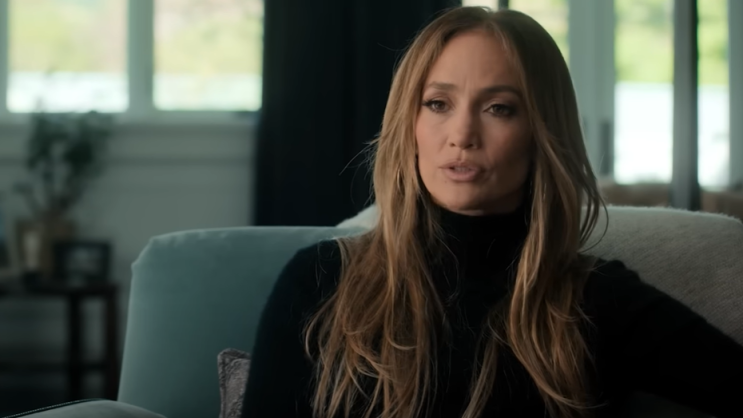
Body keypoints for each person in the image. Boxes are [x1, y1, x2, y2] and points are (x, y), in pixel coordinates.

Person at [242, 6, 743, 418]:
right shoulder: (320, 281)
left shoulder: (596, 300)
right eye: (438, 103)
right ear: (408, 124)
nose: (462, 134)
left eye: (499, 108)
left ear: (542, 134)